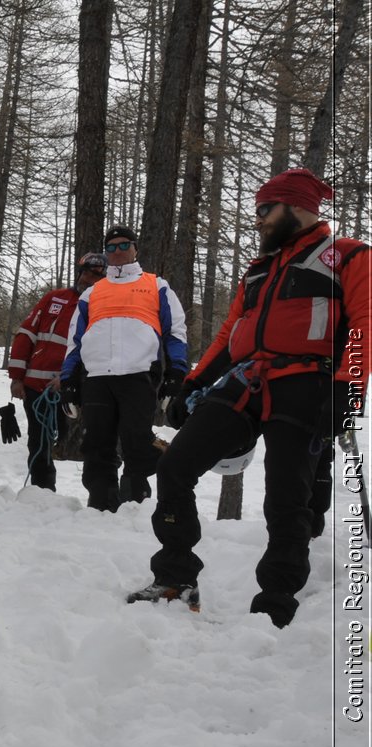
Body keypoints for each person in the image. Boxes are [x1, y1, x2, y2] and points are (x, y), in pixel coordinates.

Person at [129, 167, 368, 627]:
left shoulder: (349, 256)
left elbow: (366, 323)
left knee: (285, 497)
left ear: (298, 207)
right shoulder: (260, 269)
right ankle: (175, 577)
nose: (257, 220)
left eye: (265, 210)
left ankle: (275, 604)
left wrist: (347, 387)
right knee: (176, 465)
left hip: (308, 382)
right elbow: (229, 333)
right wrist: (194, 382)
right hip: (247, 380)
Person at [57, 224, 189, 511]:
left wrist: (176, 373)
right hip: (97, 378)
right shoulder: (92, 293)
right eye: (111, 247)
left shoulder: (157, 285)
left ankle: (135, 504)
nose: (117, 252)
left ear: (135, 249)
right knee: (96, 442)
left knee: (137, 439)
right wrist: (68, 382)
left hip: (138, 373)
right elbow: (75, 342)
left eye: (123, 245)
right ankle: (100, 503)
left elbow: (175, 332)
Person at [7, 252, 108, 489]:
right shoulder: (55, 298)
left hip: (74, 390)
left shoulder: (102, 307)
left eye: (95, 275)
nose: (88, 279)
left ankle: (98, 500)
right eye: (85, 273)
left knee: (73, 443)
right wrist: (16, 378)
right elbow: (26, 335)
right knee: (38, 442)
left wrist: (69, 379)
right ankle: (42, 492)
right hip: (36, 388)